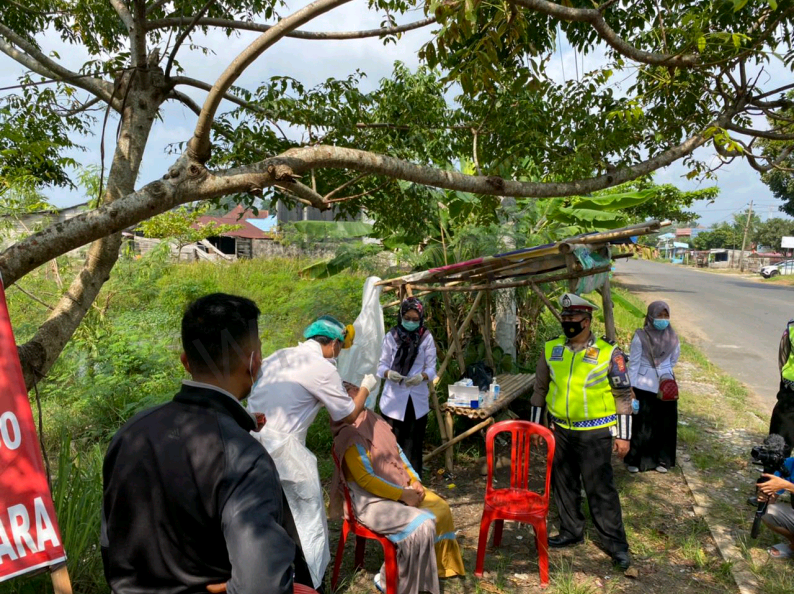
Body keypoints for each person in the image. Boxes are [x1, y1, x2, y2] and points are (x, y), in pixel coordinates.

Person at [102, 293, 312, 594]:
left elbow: (110, 543)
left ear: (186, 362)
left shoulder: (130, 433)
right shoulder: (242, 456)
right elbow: (261, 585)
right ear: (254, 363)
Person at [247, 315, 377, 591]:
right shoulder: (322, 367)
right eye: (340, 348)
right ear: (334, 344)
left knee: (265, 518)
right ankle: (310, 585)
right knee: (306, 523)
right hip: (285, 452)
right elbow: (347, 414)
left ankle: (271, 581)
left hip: (250, 443)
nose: (339, 353)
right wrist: (366, 388)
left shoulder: (281, 355)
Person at [529, 293, 633, 570]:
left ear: (586, 321)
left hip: (595, 433)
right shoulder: (551, 348)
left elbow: (623, 394)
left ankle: (616, 545)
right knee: (563, 484)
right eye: (564, 317)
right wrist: (537, 426)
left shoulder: (610, 352)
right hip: (560, 430)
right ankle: (571, 530)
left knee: (600, 489)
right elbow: (540, 389)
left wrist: (623, 435)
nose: (566, 322)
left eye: (572, 318)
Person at [330, 406, 465, 594]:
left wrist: (414, 480)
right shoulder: (349, 435)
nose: (357, 394)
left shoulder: (374, 421)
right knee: (422, 526)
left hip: (397, 486)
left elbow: (398, 454)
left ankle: (433, 571)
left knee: (440, 509)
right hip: (369, 502)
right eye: (351, 393)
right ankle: (391, 580)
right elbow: (366, 480)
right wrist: (402, 494)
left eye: (357, 391)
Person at [378, 297, 437, 479]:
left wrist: (422, 377)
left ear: (421, 318)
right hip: (393, 400)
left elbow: (431, 368)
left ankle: (414, 483)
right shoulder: (392, 337)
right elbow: (381, 365)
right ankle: (391, 482)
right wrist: (389, 373)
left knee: (413, 445)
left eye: (415, 319)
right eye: (407, 318)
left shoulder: (426, 338)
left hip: (416, 400)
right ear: (401, 316)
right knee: (390, 444)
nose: (411, 322)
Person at [625, 301, 681, 474]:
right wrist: (630, 388)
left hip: (666, 387)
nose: (662, 319)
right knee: (642, 423)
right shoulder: (640, 336)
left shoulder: (673, 337)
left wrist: (663, 371)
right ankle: (637, 460)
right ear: (650, 316)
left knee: (665, 424)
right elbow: (633, 364)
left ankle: (662, 460)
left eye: (665, 315)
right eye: (659, 315)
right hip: (643, 386)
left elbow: (674, 360)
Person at [757, 456, 794, 559]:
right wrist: (766, 495)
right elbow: (773, 494)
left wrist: (788, 486)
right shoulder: (790, 463)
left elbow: (785, 485)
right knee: (768, 512)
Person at [770, 319, 794, 449]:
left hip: (790, 393)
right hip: (790, 397)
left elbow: (783, 359)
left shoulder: (792, 328)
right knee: (776, 450)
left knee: (777, 450)